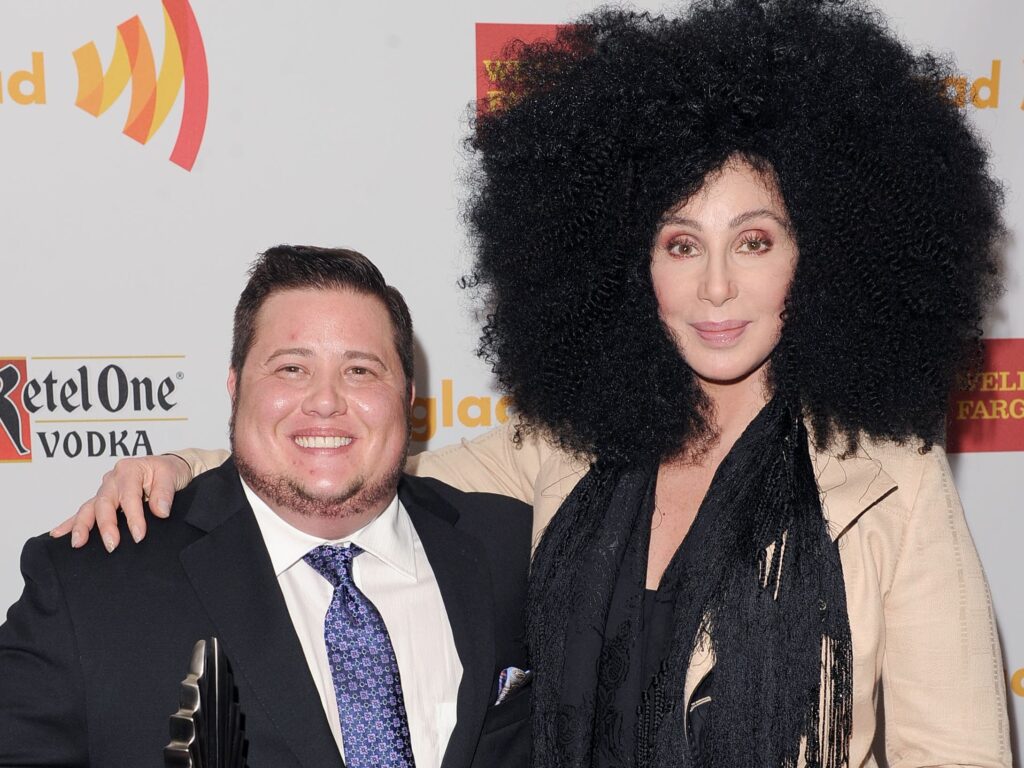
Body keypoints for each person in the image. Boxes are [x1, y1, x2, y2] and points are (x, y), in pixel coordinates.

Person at [58, 0, 1013, 765]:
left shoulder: (891, 481)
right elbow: (362, 467)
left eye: (754, 242)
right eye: (681, 244)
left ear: (822, 255)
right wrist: (184, 466)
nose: (717, 287)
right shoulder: (566, 445)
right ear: (628, 264)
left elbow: (958, 752)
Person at [1, 246, 533, 768]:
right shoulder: (90, 582)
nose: (325, 401)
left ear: (408, 397)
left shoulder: (516, 550)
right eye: (291, 368)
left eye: (360, 371)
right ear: (234, 387)